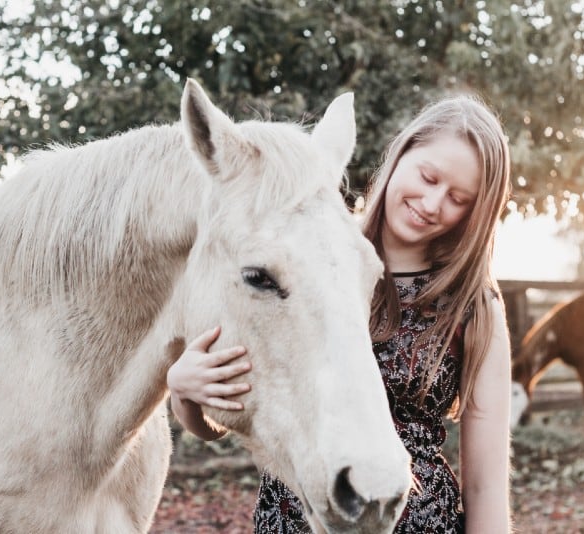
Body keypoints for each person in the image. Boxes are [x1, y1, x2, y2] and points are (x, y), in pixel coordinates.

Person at [167, 93, 513, 533]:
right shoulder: (302, 263)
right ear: (401, 154)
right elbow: (223, 419)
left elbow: (485, 488)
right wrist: (183, 390)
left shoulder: (474, 307)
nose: (431, 203)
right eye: (428, 177)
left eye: (459, 198)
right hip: (298, 519)